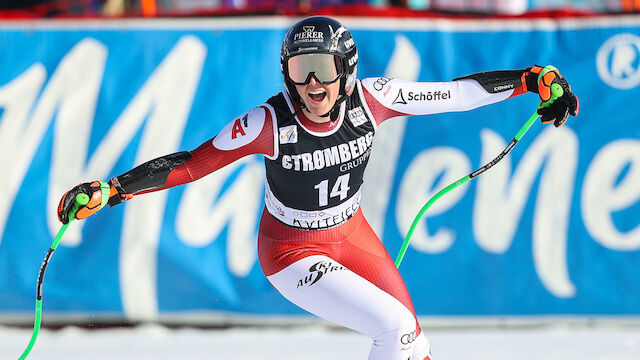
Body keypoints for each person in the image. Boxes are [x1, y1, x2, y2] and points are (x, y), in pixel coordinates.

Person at [57, 16, 579, 360]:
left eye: (323, 70)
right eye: (300, 70)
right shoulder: (267, 123)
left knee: (412, 341)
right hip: (290, 252)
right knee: (394, 325)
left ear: (346, 71)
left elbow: (456, 94)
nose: (312, 84)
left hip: (349, 232)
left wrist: (529, 79)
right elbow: (193, 164)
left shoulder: (374, 99)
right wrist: (112, 189)